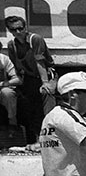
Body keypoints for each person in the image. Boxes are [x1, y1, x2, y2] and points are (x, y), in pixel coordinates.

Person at [4, 15, 56, 144]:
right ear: (9, 31)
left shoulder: (35, 39)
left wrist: (45, 83)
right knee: (30, 109)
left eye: (20, 28)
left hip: (46, 75)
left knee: (47, 102)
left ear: (25, 27)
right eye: (13, 30)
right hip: (29, 78)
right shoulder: (12, 45)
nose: (18, 32)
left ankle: (52, 139)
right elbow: (17, 67)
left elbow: (41, 63)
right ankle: (37, 139)